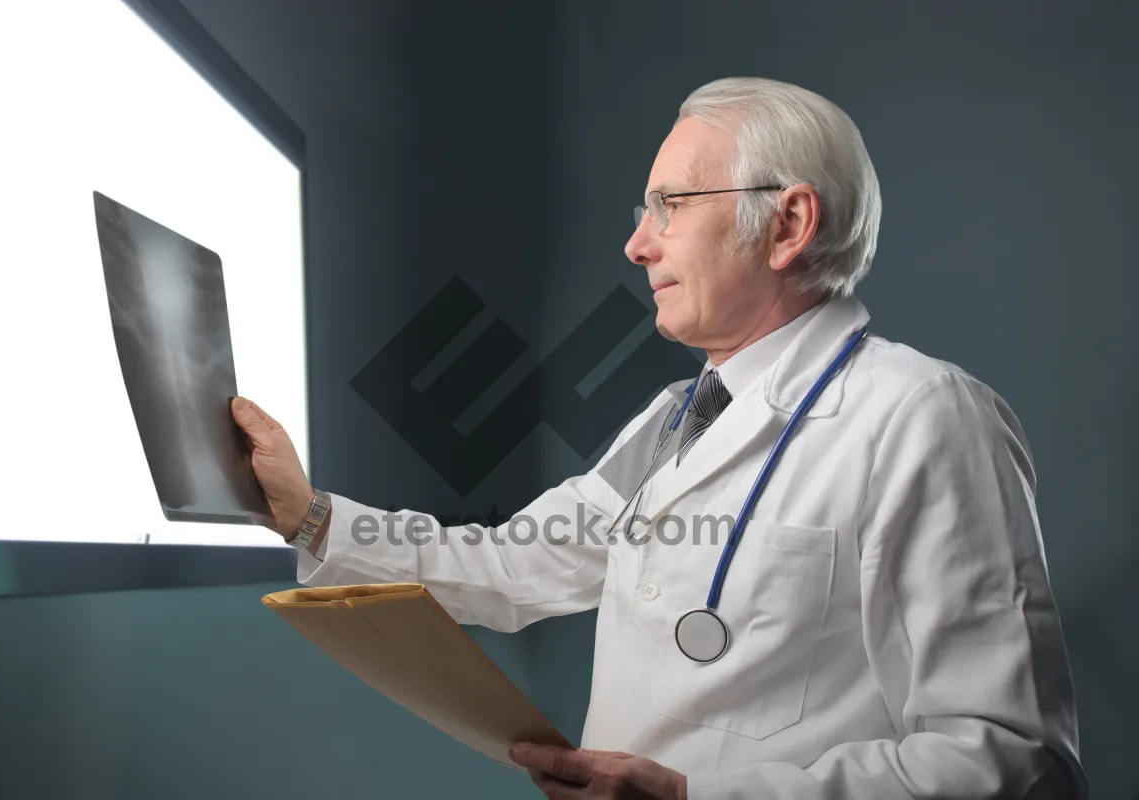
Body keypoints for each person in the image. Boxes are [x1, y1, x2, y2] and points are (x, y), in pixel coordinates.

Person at [231, 77, 1086, 799]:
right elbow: (512, 566)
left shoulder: (924, 414)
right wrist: (308, 517)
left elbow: (1013, 756)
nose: (638, 244)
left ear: (788, 225)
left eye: (670, 206)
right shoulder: (676, 415)